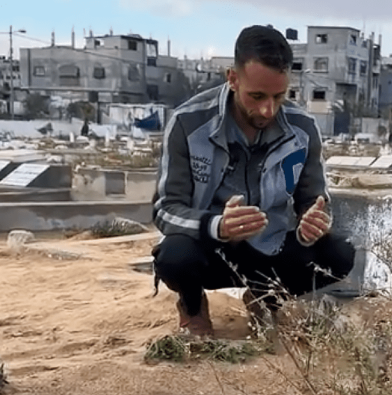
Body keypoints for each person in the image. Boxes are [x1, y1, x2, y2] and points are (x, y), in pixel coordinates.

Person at [151, 25, 356, 339]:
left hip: (270, 250)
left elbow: (313, 197)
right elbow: (166, 210)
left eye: (278, 96)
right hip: (209, 250)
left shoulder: (303, 129)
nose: (267, 109)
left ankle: (266, 297)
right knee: (174, 256)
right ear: (232, 78)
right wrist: (216, 225)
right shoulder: (187, 123)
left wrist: (313, 220)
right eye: (257, 96)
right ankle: (192, 307)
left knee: (339, 254)